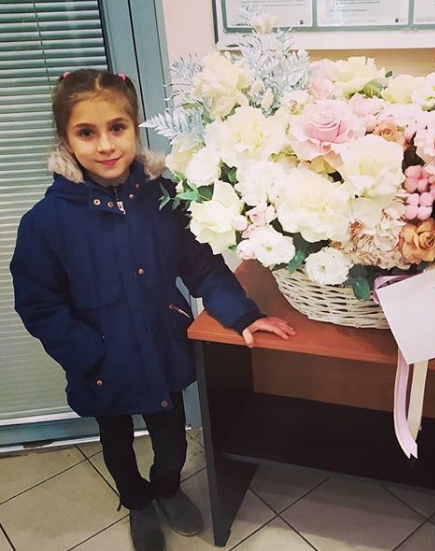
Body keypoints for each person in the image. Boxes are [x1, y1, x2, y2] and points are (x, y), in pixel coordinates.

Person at [9, 69, 296, 551]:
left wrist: (243, 315)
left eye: (117, 128)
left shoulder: (164, 198)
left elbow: (201, 264)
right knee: (118, 447)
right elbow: (38, 302)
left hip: (163, 350)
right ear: (66, 139)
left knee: (172, 445)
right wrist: (87, 354)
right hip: (101, 364)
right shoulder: (46, 222)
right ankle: (137, 501)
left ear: (134, 127)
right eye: (87, 132)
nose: (106, 145)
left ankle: (166, 487)